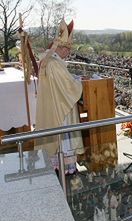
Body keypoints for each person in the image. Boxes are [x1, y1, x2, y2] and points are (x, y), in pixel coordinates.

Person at [35, 19, 84, 172]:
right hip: (60, 109)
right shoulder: (55, 63)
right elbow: (68, 87)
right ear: (61, 48)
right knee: (63, 137)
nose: (68, 53)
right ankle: (64, 167)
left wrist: (73, 79)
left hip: (51, 105)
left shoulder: (47, 60)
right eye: (67, 50)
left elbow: (61, 81)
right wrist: (79, 82)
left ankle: (56, 164)